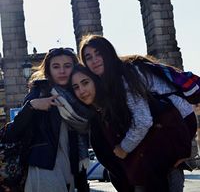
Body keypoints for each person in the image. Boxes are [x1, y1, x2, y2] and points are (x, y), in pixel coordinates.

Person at [77, 34, 198, 192]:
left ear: (109, 52)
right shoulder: (113, 78)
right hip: (171, 127)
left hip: (176, 126)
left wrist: (123, 148)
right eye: (88, 57)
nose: (95, 60)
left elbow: (143, 120)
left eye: (98, 53)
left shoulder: (125, 75)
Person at [2, 47, 91, 192]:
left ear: (75, 68)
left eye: (67, 66)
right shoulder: (39, 92)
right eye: (56, 66)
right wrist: (31, 106)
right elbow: (13, 132)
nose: (62, 71)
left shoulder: (78, 96)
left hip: (71, 169)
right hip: (44, 167)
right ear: (48, 70)